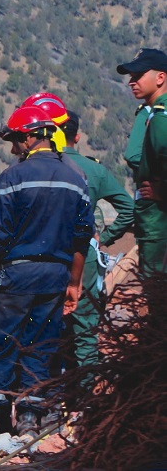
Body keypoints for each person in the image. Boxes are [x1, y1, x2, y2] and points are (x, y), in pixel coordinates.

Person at [0, 106, 93, 447]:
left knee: (1, 344)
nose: (13, 149)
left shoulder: (12, 177)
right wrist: (73, 282)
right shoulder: (77, 179)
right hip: (55, 278)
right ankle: (29, 423)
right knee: (40, 348)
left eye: (15, 141)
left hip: (14, 276)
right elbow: (81, 239)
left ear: (30, 138)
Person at [58, 110, 134, 370]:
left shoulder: (37, 166)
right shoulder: (95, 170)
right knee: (85, 331)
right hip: (85, 255)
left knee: (43, 326)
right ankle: (85, 391)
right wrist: (104, 239)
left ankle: (45, 390)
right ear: (77, 137)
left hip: (46, 254)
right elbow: (129, 208)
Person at [118, 48, 167, 280]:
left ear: (160, 78)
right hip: (153, 227)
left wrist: (163, 192)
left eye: (138, 76)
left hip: (159, 229)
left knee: (157, 294)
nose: (131, 82)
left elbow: (133, 155)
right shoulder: (155, 113)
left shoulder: (161, 117)